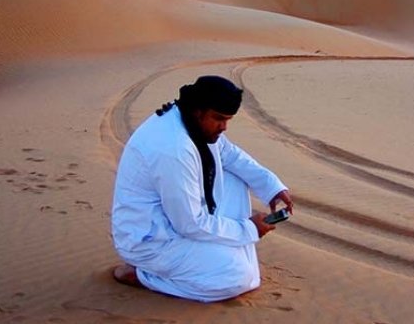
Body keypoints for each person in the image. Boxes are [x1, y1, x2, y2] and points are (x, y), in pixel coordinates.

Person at [110, 75, 293, 302]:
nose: (223, 127)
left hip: (179, 222)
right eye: (218, 119)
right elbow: (189, 223)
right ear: (198, 111)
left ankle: (221, 253)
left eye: (228, 120)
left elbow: (230, 155)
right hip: (150, 240)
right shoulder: (173, 148)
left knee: (235, 177)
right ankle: (143, 275)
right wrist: (248, 230)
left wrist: (271, 185)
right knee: (239, 278)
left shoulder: (193, 123)